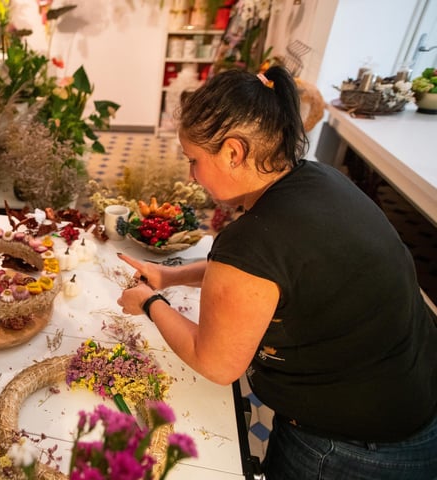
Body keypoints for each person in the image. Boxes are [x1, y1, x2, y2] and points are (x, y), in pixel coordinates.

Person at [117, 66, 437, 479]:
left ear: (233, 152)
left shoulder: (254, 240)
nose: (190, 175)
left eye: (193, 160)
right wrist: (171, 275)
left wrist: (149, 302)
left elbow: (216, 363)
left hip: (353, 449)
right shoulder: (316, 178)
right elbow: (266, 275)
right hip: (411, 401)